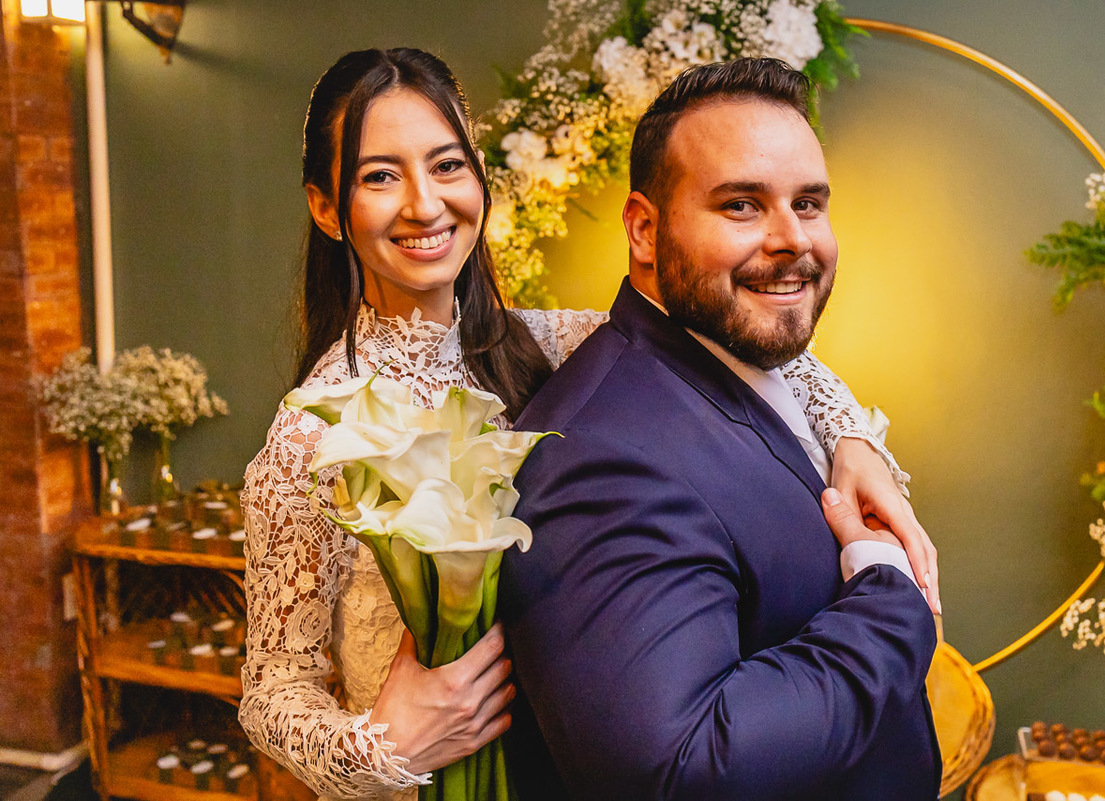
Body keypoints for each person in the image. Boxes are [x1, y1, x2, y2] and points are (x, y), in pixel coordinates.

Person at [239, 48, 935, 799]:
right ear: (324, 206)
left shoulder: (548, 340)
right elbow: (272, 691)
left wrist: (852, 439)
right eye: (380, 176)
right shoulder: (312, 429)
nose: (423, 204)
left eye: (446, 166)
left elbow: (742, 331)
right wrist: (381, 745)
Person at [500, 58, 941, 800]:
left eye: (808, 203)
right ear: (644, 229)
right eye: (742, 205)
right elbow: (678, 765)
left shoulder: (735, 356)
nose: (792, 239)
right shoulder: (604, 458)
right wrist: (890, 597)